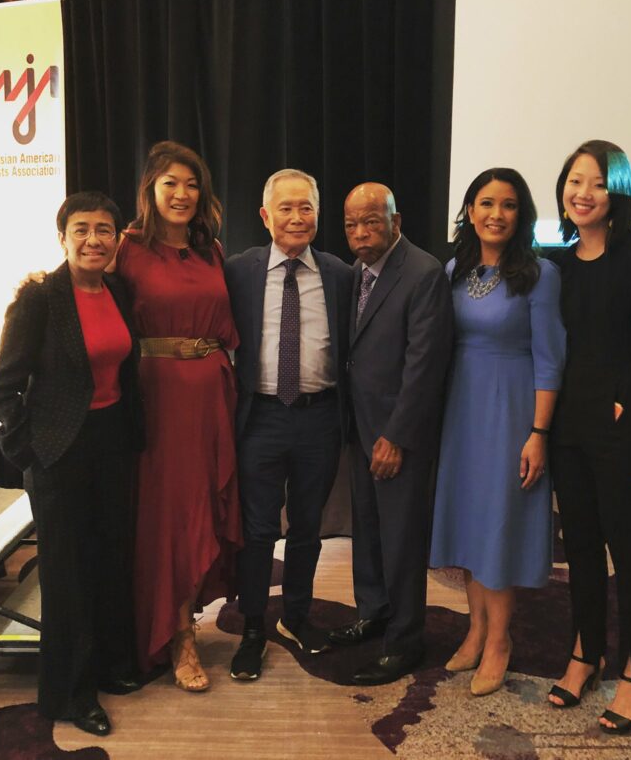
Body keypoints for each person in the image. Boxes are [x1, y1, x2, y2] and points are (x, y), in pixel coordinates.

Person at [0, 191, 144, 736]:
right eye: (81, 229)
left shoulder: (118, 290)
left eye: (104, 230)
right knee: (67, 575)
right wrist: (27, 452)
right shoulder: (39, 299)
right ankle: (71, 694)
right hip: (59, 451)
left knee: (106, 559)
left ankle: (107, 668)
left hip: (110, 442)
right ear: (62, 237)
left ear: (118, 239)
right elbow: (3, 387)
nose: (93, 239)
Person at [545, 141, 631, 735]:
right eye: (575, 181)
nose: (583, 193)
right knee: (579, 550)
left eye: (597, 182)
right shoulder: (558, 264)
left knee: (629, 553)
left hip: (626, 430)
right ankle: (586, 655)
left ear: (617, 191)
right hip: (570, 426)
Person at [429, 168, 566, 696]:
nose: (496, 214)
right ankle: (475, 628)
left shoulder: (540, 274)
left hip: (511, 411)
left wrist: (538, 432)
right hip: (460, 410)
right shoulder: (453, 271)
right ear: (469, 211)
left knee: (498, 526)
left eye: (508, 205)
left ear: (521, 215)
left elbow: (551, 359)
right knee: (467, 522)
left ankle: (500, 641)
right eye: (486, 203)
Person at [118, 141, 242, 692]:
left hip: (210, 396)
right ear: (150, 188)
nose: (182, 194)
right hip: (157, 398)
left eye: (191, 184)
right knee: (165, 516)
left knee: (201, 510)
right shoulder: (126, 248)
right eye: (170, 183)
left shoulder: (211, 250)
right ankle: (176, 635)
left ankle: (184, 619)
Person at [224, 169, 354, 681]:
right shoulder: (238, 271)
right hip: (261, 416)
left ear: (317, 215)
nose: (297, 217)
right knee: (257, 530)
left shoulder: (341, 275)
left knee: (307, 528)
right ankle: (254, 624)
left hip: (320, 416)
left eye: (306, 208)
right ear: (265, 216)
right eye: (286, 208)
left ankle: (296, 617)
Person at [328, 183, 454, 685]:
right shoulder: (356, 272)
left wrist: (396, 436)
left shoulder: (422, 273)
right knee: (369, 530)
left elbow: (425, 365)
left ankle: (405, 640)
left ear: (395, 223)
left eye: (371, 223)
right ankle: (373, 612)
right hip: (361, 428)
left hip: (397, 435)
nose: (360, 234)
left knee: (401, 538)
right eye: (351, 224)